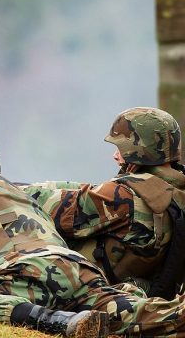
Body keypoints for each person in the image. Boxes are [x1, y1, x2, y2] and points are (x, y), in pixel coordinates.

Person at [0, 125, 185, 337]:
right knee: (130, 314)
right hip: (77, 270)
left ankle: (56, 321)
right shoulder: (20, 194)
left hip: (25, 273)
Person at [20, 107, 185, 299]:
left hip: (91, 292)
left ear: (137, 151)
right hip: (147, 290)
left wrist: (3, 189)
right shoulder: (174, 191)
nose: (115, 156)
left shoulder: (122, 198)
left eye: (120, 149)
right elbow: (88, 191)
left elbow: (47, 207)